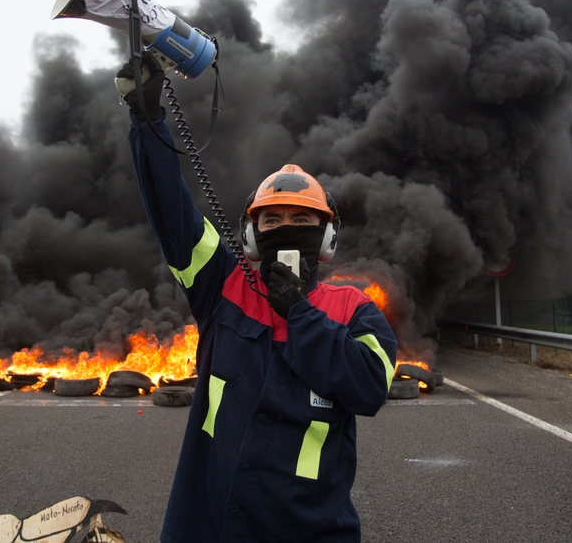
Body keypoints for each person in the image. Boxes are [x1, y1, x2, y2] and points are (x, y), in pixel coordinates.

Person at [118, 53, 398, 543]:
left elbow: (368, 388)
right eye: (271, 221)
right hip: (209, 526)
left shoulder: (356, 310)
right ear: (250, 235)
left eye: (301, 221)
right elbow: (171, 210)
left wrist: (300, 314)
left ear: (327, 239)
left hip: (312, 531)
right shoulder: (222, 285)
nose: (285, 230)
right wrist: (147, 118)